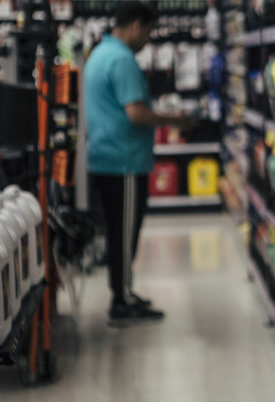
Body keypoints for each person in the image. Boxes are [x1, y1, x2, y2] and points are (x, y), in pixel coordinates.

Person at [84, 2, 194, 326]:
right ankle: (122, 300)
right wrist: (176, 119)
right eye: (147, 30)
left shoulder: (99, 54)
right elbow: (136, 113)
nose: (148, 39)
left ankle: (124, 292)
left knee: (118, 232)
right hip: (124, 162)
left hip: (106, 158)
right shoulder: (121, 59)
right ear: (135, 25)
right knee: (124, 234)